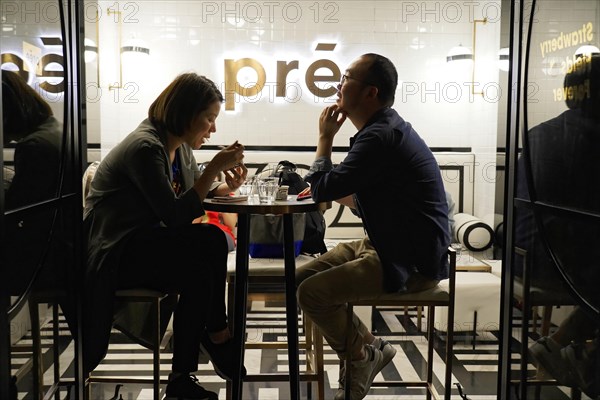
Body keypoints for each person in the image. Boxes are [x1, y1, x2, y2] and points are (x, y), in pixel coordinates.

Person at [83, 72, 247, 400]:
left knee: (201, 271)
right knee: (211, 240)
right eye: (209, 119)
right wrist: (214, 169)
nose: (213, 129)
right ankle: (216, 334)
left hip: (145, 245)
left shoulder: (178, 147)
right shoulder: (146, 147)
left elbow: (194, 190)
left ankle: (182, 379)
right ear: (186, 114)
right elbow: (173, 216)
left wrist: (227, 185)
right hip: (115, 252)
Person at [295, 53, 450, 400]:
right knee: (300, 280)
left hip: (410, 262)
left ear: (370, 93)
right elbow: (370, 197)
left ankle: (360, 357)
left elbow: (323, 188)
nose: (338, 84)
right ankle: (370, 345)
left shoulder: (379, 137)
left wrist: (325, 137)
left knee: (311, 294)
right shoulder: (383, 131)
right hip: (386, 244)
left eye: (347, 77)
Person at [522, 54, 600, 398]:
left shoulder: (543, 131)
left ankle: (559, 346)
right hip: (557, 257)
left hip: (527, 251)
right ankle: (583, 358)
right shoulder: (590, 138)